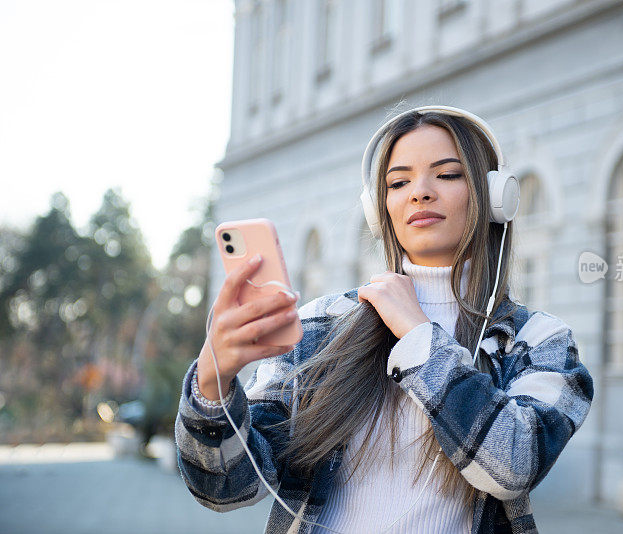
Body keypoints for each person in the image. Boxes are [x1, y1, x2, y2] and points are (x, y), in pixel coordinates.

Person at [174, 106, 594, 534]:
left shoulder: (540, 341)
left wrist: (417, 335)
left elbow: (513, 466)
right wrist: (213, 384)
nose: (420, 193)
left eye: (447, 175)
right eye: (398, 182)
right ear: (380, 209)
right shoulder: (322, 325)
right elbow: (227, 489)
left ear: (494, 195)